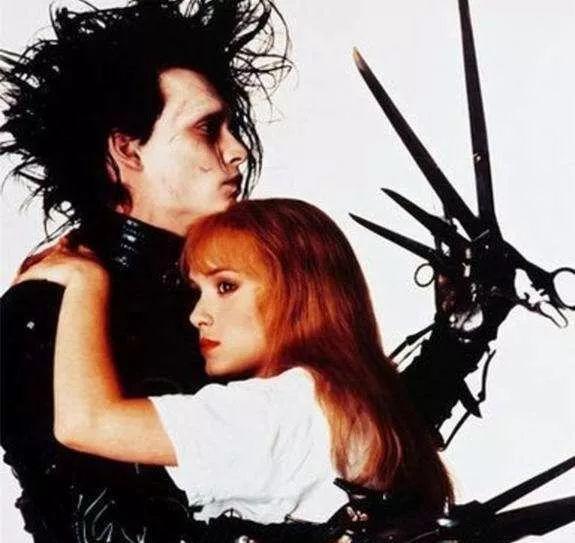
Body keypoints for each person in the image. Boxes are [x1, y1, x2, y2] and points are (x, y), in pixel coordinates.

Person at [0, 1, 291, 542]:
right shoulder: (43, 308)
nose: (238, 151)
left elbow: (324, 441)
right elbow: (97, 527)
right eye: (208, 128)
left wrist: (452, 341)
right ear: (127, 150)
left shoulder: (220, 297)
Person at [18, 198, 453, 541]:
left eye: (226, 286)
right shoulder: (342, 401)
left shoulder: (277, 411)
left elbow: (84, 423)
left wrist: (86, 281)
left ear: (297, 292)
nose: (198, 315)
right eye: (198, 291)